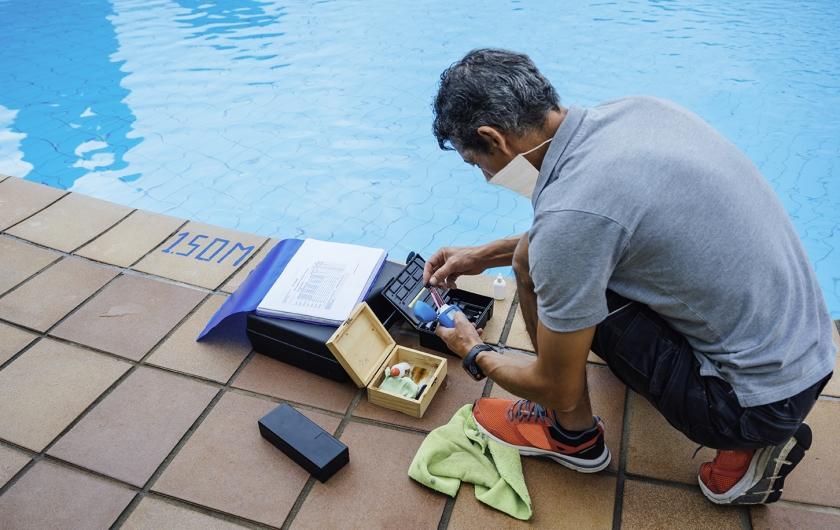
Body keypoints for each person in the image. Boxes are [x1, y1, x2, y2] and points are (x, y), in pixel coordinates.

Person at [425, 48, 836, 505]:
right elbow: (592, 226)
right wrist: (485, 255)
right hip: (806, 351)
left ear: (494, 139)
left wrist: (473, 349)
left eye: (475, 163)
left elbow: (556, 379)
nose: (485, 176)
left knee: (542, 266)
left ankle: (573, 436)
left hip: (749, 404)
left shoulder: (571, 218)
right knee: (541, 256)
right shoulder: (636, 112)